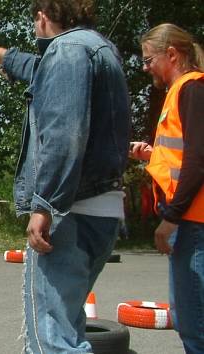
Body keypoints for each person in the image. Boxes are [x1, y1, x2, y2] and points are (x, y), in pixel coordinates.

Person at [0, 0, 131, 352]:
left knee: (52, 342)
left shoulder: (66, 52)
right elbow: (32, 67)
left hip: (71, 212)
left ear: (41, 16)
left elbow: (64, 134)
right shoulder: (98, 48)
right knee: (66, 326)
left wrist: (45, 207)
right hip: (102, 210)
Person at [130, 23, 204, 353]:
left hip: (192, 222)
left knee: (194, 325)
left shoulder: (192, 88)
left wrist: (171, 218)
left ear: (172, 54)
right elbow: (183, 155)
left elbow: (198, 160)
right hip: (190, 221)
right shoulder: (182, 91)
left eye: (149, 60)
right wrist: (152, 154)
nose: (146, 69)